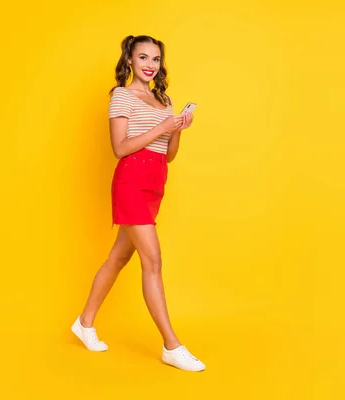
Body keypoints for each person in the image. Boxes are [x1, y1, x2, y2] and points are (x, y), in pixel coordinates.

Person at [71, 35, 205, 372]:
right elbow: (120, 147)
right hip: (131, 180)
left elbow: (169, 155)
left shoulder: (165, 99)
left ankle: (85, 322)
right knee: (153, 261)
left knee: (118, 258)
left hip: (156, 181)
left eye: (156, 59)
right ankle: (171, 346)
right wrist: (162, 125)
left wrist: (177, 129)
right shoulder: (122, 96)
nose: (150, 64)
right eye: (143, 57)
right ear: (129, 60)